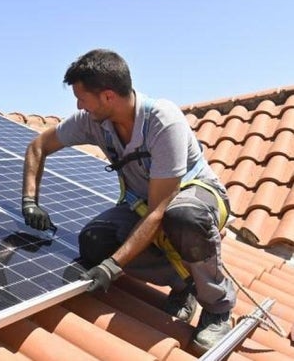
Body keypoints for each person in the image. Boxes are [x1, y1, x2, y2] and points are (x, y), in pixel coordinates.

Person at [21, 49, 235, 351]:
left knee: (182, 217)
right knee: (93, 242)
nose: (79, 105)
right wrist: (30, 200)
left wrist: (112, 267)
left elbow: (161, 210)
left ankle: (217, 308)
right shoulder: (91, 121)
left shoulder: (163, 121)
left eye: (82, 98)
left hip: (194, 198)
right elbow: (38, 146)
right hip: (144, 202)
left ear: (108, 96)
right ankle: (182, 280)